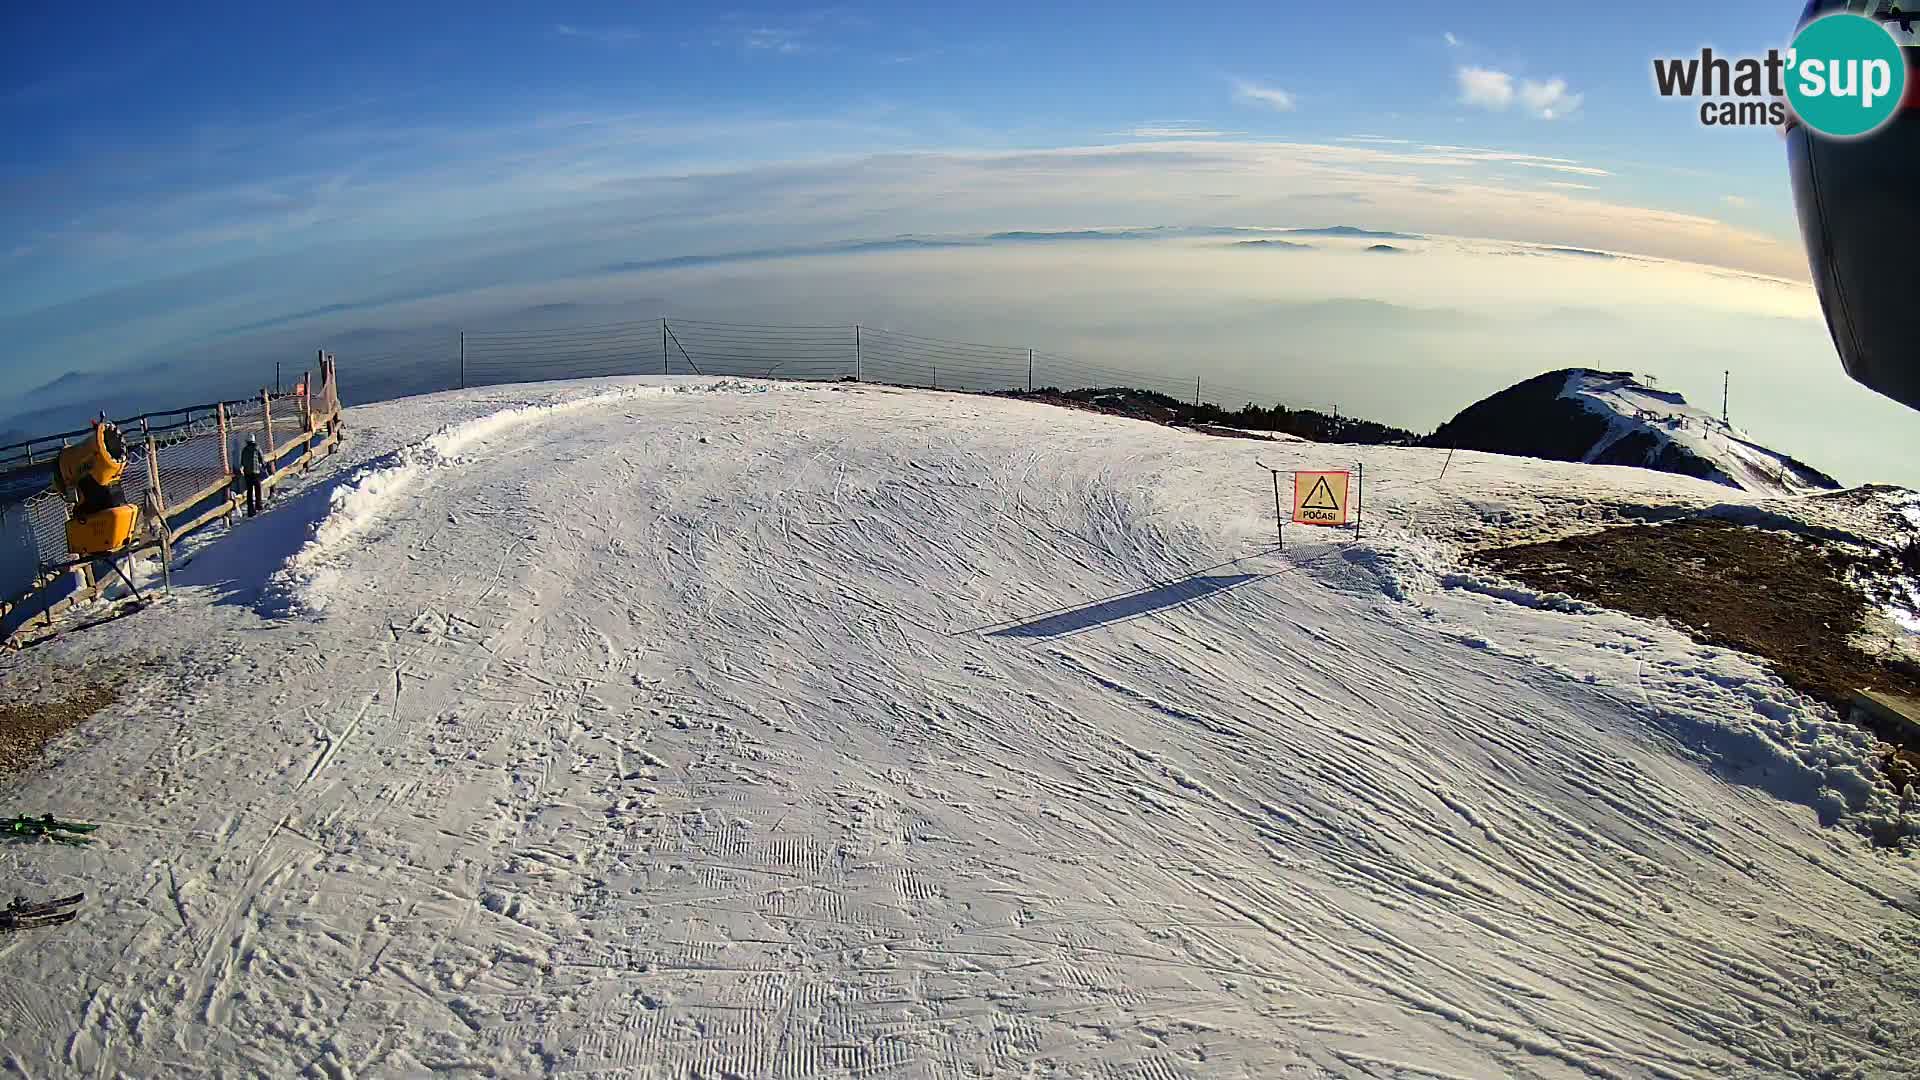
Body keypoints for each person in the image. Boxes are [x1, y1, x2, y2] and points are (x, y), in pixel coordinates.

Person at [240, 434, 263, 517]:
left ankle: (250, 510)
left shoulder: (244, 450)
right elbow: (261, 459)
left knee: (249, 492)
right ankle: (259, 505)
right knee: (258, 489)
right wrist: (262, 465)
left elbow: (242, 462)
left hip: (247, 473)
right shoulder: (257, 448)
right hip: (256, 472)